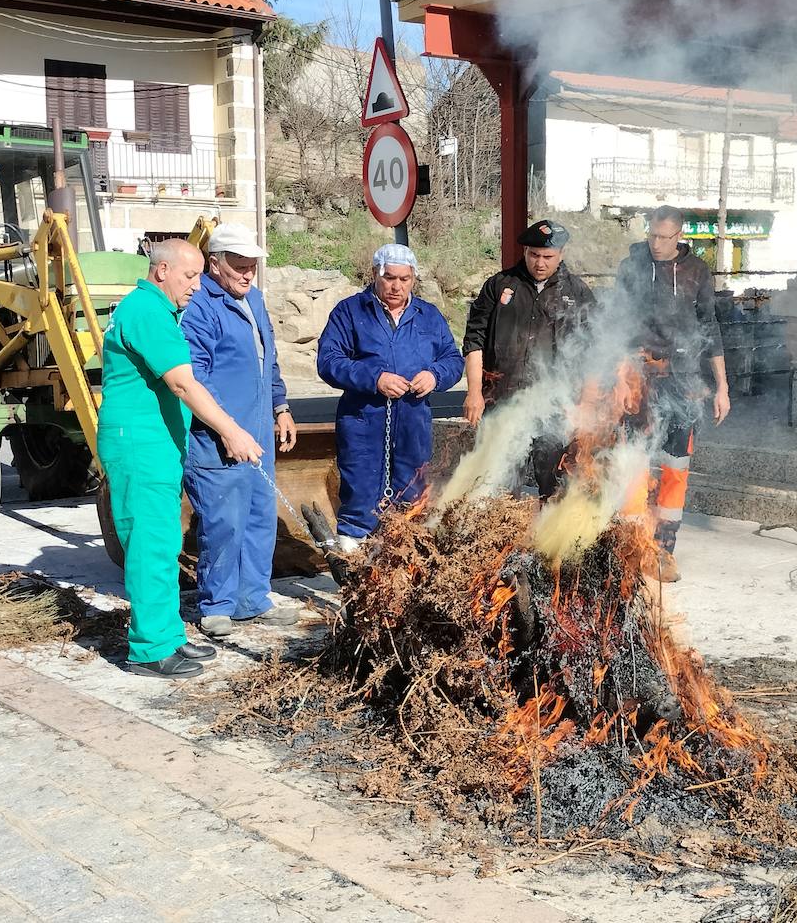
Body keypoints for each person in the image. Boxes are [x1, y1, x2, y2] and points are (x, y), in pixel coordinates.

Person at [98, 239, 264, 679]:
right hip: (140, 445)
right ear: (162, 270)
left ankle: (168, 634)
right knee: (151, 544)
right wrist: (232, 431)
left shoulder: (157, 310)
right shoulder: (148, 312)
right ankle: (150, 649)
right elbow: (183, 385)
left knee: (165, 542)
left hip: (156, 446)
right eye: (189, 276)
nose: (196, 285)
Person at [181, 223, 300, 639]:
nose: (248, 274)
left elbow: (269, 362)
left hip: (258, 430)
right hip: (218, 438)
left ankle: (253, 598)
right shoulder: (200, 309)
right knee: (223, 521)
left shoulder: (256, 301)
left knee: (259, 517)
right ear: (215, 265)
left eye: (252, 267)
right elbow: (195, 379)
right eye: (239, 266)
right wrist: (228, 430)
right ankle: (217, 603)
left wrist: (280, 407)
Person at [317, 244, 464, 550]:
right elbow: (329, 361)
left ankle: (400, 571)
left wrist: (435, 375)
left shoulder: (429, 316)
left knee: (410, 497)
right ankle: (352, 567)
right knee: (360, 495)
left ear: (414, 279)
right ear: (375, 274)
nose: (397, 286)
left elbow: (453, 359)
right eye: (389, 278)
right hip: (363, 421)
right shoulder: (350, 311)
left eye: (405, 279)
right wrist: (375, 379)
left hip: (413, 422)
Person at [616, 205, 730, 567]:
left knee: (676, 464)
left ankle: (664, 548)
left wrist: (722, 387)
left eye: (664, 238)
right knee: (632, 461)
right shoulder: (631, 267)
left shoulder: (697, 271)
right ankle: (632, 544)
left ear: (680, 236)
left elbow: (709, 328)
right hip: (638, 375)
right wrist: (619, 378)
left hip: (683, 381)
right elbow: (615, 325)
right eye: (652, 235)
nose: (656, 244)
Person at [462, 219, 595, 498]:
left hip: (557, 406)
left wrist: (585, 405)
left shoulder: (578, 294)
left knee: (557, 485)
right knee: (501, 483)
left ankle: (548, 542)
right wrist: (474, 392)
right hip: (504, 402)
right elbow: (474, 340)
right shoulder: (499, 286)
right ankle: (506, 541)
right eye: (534, 255)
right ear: (524, 252)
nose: (540, 263)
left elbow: (593, 352)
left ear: (561, 254)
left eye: (548, 256)